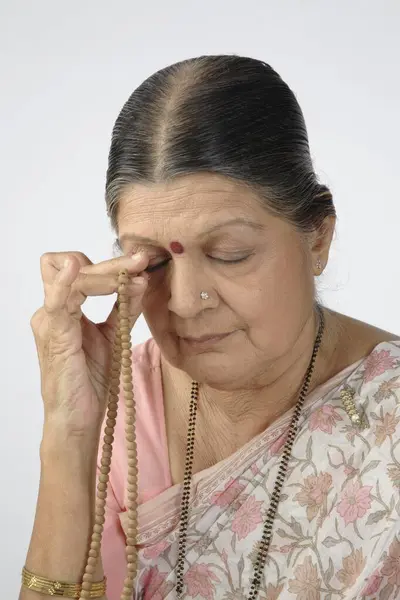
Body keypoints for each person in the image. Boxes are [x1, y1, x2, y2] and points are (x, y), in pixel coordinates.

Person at [20, 55, 400, 600]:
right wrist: (67, 432)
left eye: (229, 254)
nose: (183, 301)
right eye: (151, 261)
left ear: (317, 239)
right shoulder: (120, 404)